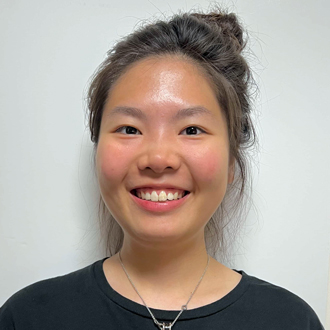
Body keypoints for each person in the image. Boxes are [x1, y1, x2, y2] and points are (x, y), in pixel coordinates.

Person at [0, 8, 325, 330]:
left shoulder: (289, 320)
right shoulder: (28, 317)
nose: (157, 158)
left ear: (231, 162)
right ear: (98, 153)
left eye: (192, 129)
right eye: (129, 129)